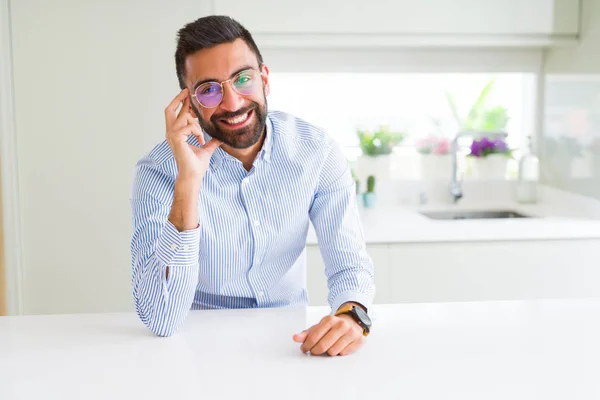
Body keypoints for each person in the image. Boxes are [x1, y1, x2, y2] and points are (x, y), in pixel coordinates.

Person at [130, 15, 375, 356]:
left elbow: (349, 265)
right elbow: (162, 318)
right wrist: (188, 179)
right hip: (196, 350)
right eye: (209, 89)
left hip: (290, 344)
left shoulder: (316, 152)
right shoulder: (158, 171)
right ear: (188, 102)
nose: (232, 103)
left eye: (242, 79)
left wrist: (351, 316)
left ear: (265, 79)